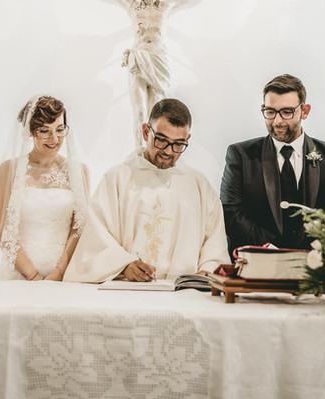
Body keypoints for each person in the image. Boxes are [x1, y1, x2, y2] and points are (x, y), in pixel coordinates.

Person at [63, 98, 229, 283]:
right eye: (161, 140)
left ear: (187, 139)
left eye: (178, 144)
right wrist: (123, 265)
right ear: (145, 132)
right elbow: (96, 236)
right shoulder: (118, 178)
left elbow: (214, 240)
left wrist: (207, 269)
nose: (168, 151)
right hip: (128, 289)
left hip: (183, 293)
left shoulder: (198, 185)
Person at [68, 0, 234, 145]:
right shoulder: (132, 7)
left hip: (157, 60)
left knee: (155, 112)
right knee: (138, 111)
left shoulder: (165, 8)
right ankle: (139, 151)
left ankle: (152, 149)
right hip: (138, 58)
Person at [220, 74, 325, 254]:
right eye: (270, 112)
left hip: (316, 267)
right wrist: (271, 248)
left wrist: (312, 252)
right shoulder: (240, 155)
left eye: (287, 112)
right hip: (257, 265)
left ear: (304, 111)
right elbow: (231, 213)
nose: (278, 121)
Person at [0, 96, 90, 281]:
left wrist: (58, 273)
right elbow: (1, 230)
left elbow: (79, 228)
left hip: (64, 275)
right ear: (30, 132)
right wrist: (32, 275)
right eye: (45, 131)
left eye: (60, 129)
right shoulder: (8, 170)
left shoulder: (78, 171)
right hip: (18, 273)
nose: (54, 139)